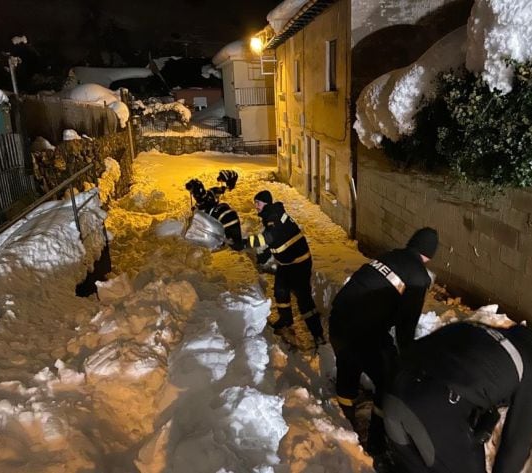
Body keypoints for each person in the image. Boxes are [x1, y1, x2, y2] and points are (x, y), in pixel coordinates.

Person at [382, 321, 532, 473]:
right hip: (434, 405)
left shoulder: (473, 329)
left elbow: (415, 353)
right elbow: (517, 443)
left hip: (393, 393)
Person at [328, 227, 438, 455]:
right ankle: (376, 443)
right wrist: (407, 361)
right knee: (389, 379)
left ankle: (345, 426)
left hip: (339, 320)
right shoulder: (418, 276)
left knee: (348, 370)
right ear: (430, 254)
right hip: (365, 331)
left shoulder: (389, 256)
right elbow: (406, 326)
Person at [243, 190, 325, 346]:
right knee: (280, 291)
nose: (256, 206)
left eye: (258, 203)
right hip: (287, 264)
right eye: (255, 203)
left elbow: (268, 237)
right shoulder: (272, 214)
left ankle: (318, 334)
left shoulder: (273, 217)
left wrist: (245, 242)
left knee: (304, 301)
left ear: (265, 203)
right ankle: (286, 321)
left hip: (299, 264)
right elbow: (276, 239)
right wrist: (265, 255)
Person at [185, 171, 243, 250]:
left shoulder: (201, 206)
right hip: (227, 220)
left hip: (222, 224)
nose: (195, 196)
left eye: (195, 194)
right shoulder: (212, 192)